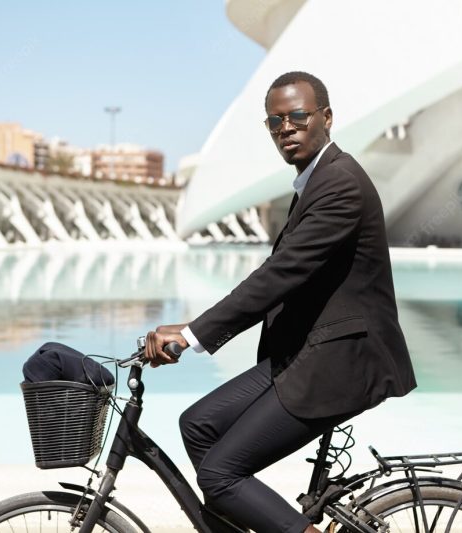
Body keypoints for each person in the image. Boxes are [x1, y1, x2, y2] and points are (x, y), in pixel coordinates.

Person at [145, 71, 416, 533]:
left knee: (219, 473)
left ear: (326, 118)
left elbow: (281, 275)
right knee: (198, 427)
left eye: (296, 116)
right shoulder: (314, 182)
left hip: (339, 363)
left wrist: (192, 335)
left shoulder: (340, 183)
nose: (285, 128)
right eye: (274, 122)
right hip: (306, 354)